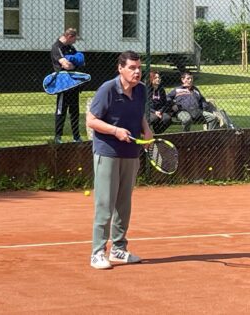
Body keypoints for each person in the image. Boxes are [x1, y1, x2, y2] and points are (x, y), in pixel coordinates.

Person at [86, 51, 153, 270]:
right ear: (120, 68)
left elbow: (139, 114)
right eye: (132, 68)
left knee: (124, 204)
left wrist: (146, 130)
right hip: (107, 152)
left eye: (139, 68)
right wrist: (115, 131)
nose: (137, 72)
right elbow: (91, 120)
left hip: (131, 152)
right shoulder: (107, 89)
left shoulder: (141, 89)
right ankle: (97, 253)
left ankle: (118, 250)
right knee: (105, 204)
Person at [50, 28, 83, 144]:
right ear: (69, 36)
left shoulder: (71, 48)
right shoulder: (57, 47)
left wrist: (75, 63)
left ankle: (76, 136)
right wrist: (73, 64)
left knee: (75, 111)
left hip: (74, 84)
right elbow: (66, 65)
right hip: (63, 85)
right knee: (61, 110)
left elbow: (81, 61)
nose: (75, 42)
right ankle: (58, 136)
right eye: (74, 39)